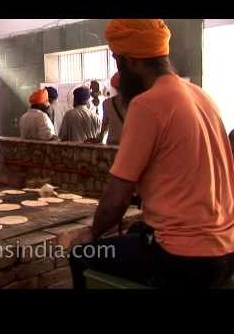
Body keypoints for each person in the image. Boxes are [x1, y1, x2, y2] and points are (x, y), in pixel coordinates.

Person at [69, 19, 234, 289]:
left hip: (184, 259)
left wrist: (90, 233)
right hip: (226, 250)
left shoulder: (148, 104)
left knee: (81, 254)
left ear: (128, 61)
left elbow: (116, 198)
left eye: (116, 60)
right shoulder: (203, 97)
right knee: (137, 232)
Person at [93, 72, 127, 145]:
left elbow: (105, 126)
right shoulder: (136, 103)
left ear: (114, 87)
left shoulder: (107, 103)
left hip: (112, 145)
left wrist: (99, 139)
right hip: (128, 146)